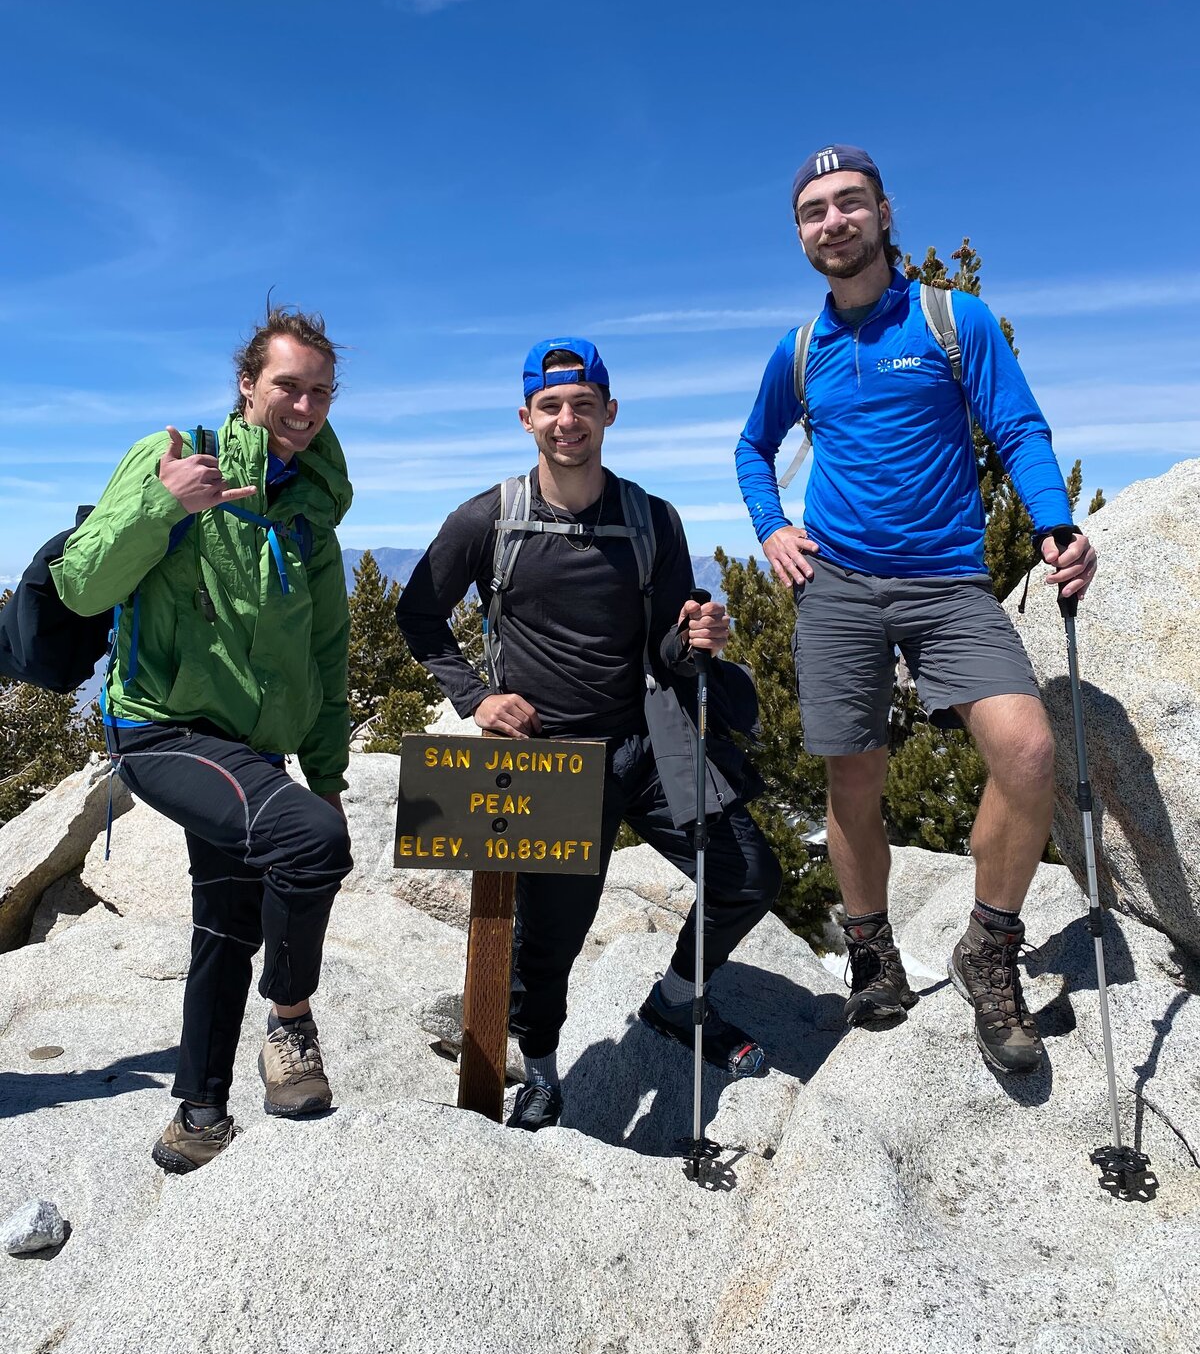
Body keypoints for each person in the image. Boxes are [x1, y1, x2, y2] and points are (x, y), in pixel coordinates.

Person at [736, 146, 1097, 1076]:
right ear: (802, 234)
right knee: (852, 783)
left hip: (949, 582)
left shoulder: (950, 318)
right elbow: (752, 447)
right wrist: (774, 527)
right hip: (838, 586)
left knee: (1027, 751)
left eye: (849, 203)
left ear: (885, 214)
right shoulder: (800, 349)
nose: (833, 222)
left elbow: (1016, 423)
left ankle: (987, 946)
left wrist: (1054, 521)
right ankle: (871, 951)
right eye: (814, 211)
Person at [397, 338, 781, 1130]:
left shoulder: (649, 517)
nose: (567, 420)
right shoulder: (488, 518)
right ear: (526, 417)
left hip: (643, 742)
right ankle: (540, 1071)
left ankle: (675, 1004)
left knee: (748, 874)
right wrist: (476, 699)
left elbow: (668, 645)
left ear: (609, 411)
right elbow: (419, 615)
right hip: (549, 762)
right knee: (550, 941)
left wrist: (696, 637)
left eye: (582, 405)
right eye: (550, 406)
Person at [51, 307, 354, 1171]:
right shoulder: (174, 458)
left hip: (247, 751)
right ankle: (290, 1021)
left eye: (320, 393)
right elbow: (81, 585)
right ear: (248, 385)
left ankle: (199, 1114)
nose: (303, 405)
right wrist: (160, 504)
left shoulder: (308, 517)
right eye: (288, 386)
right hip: (161, 732)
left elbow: (328, 655)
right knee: (310, 842)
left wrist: (326, 768)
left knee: (227, 920)